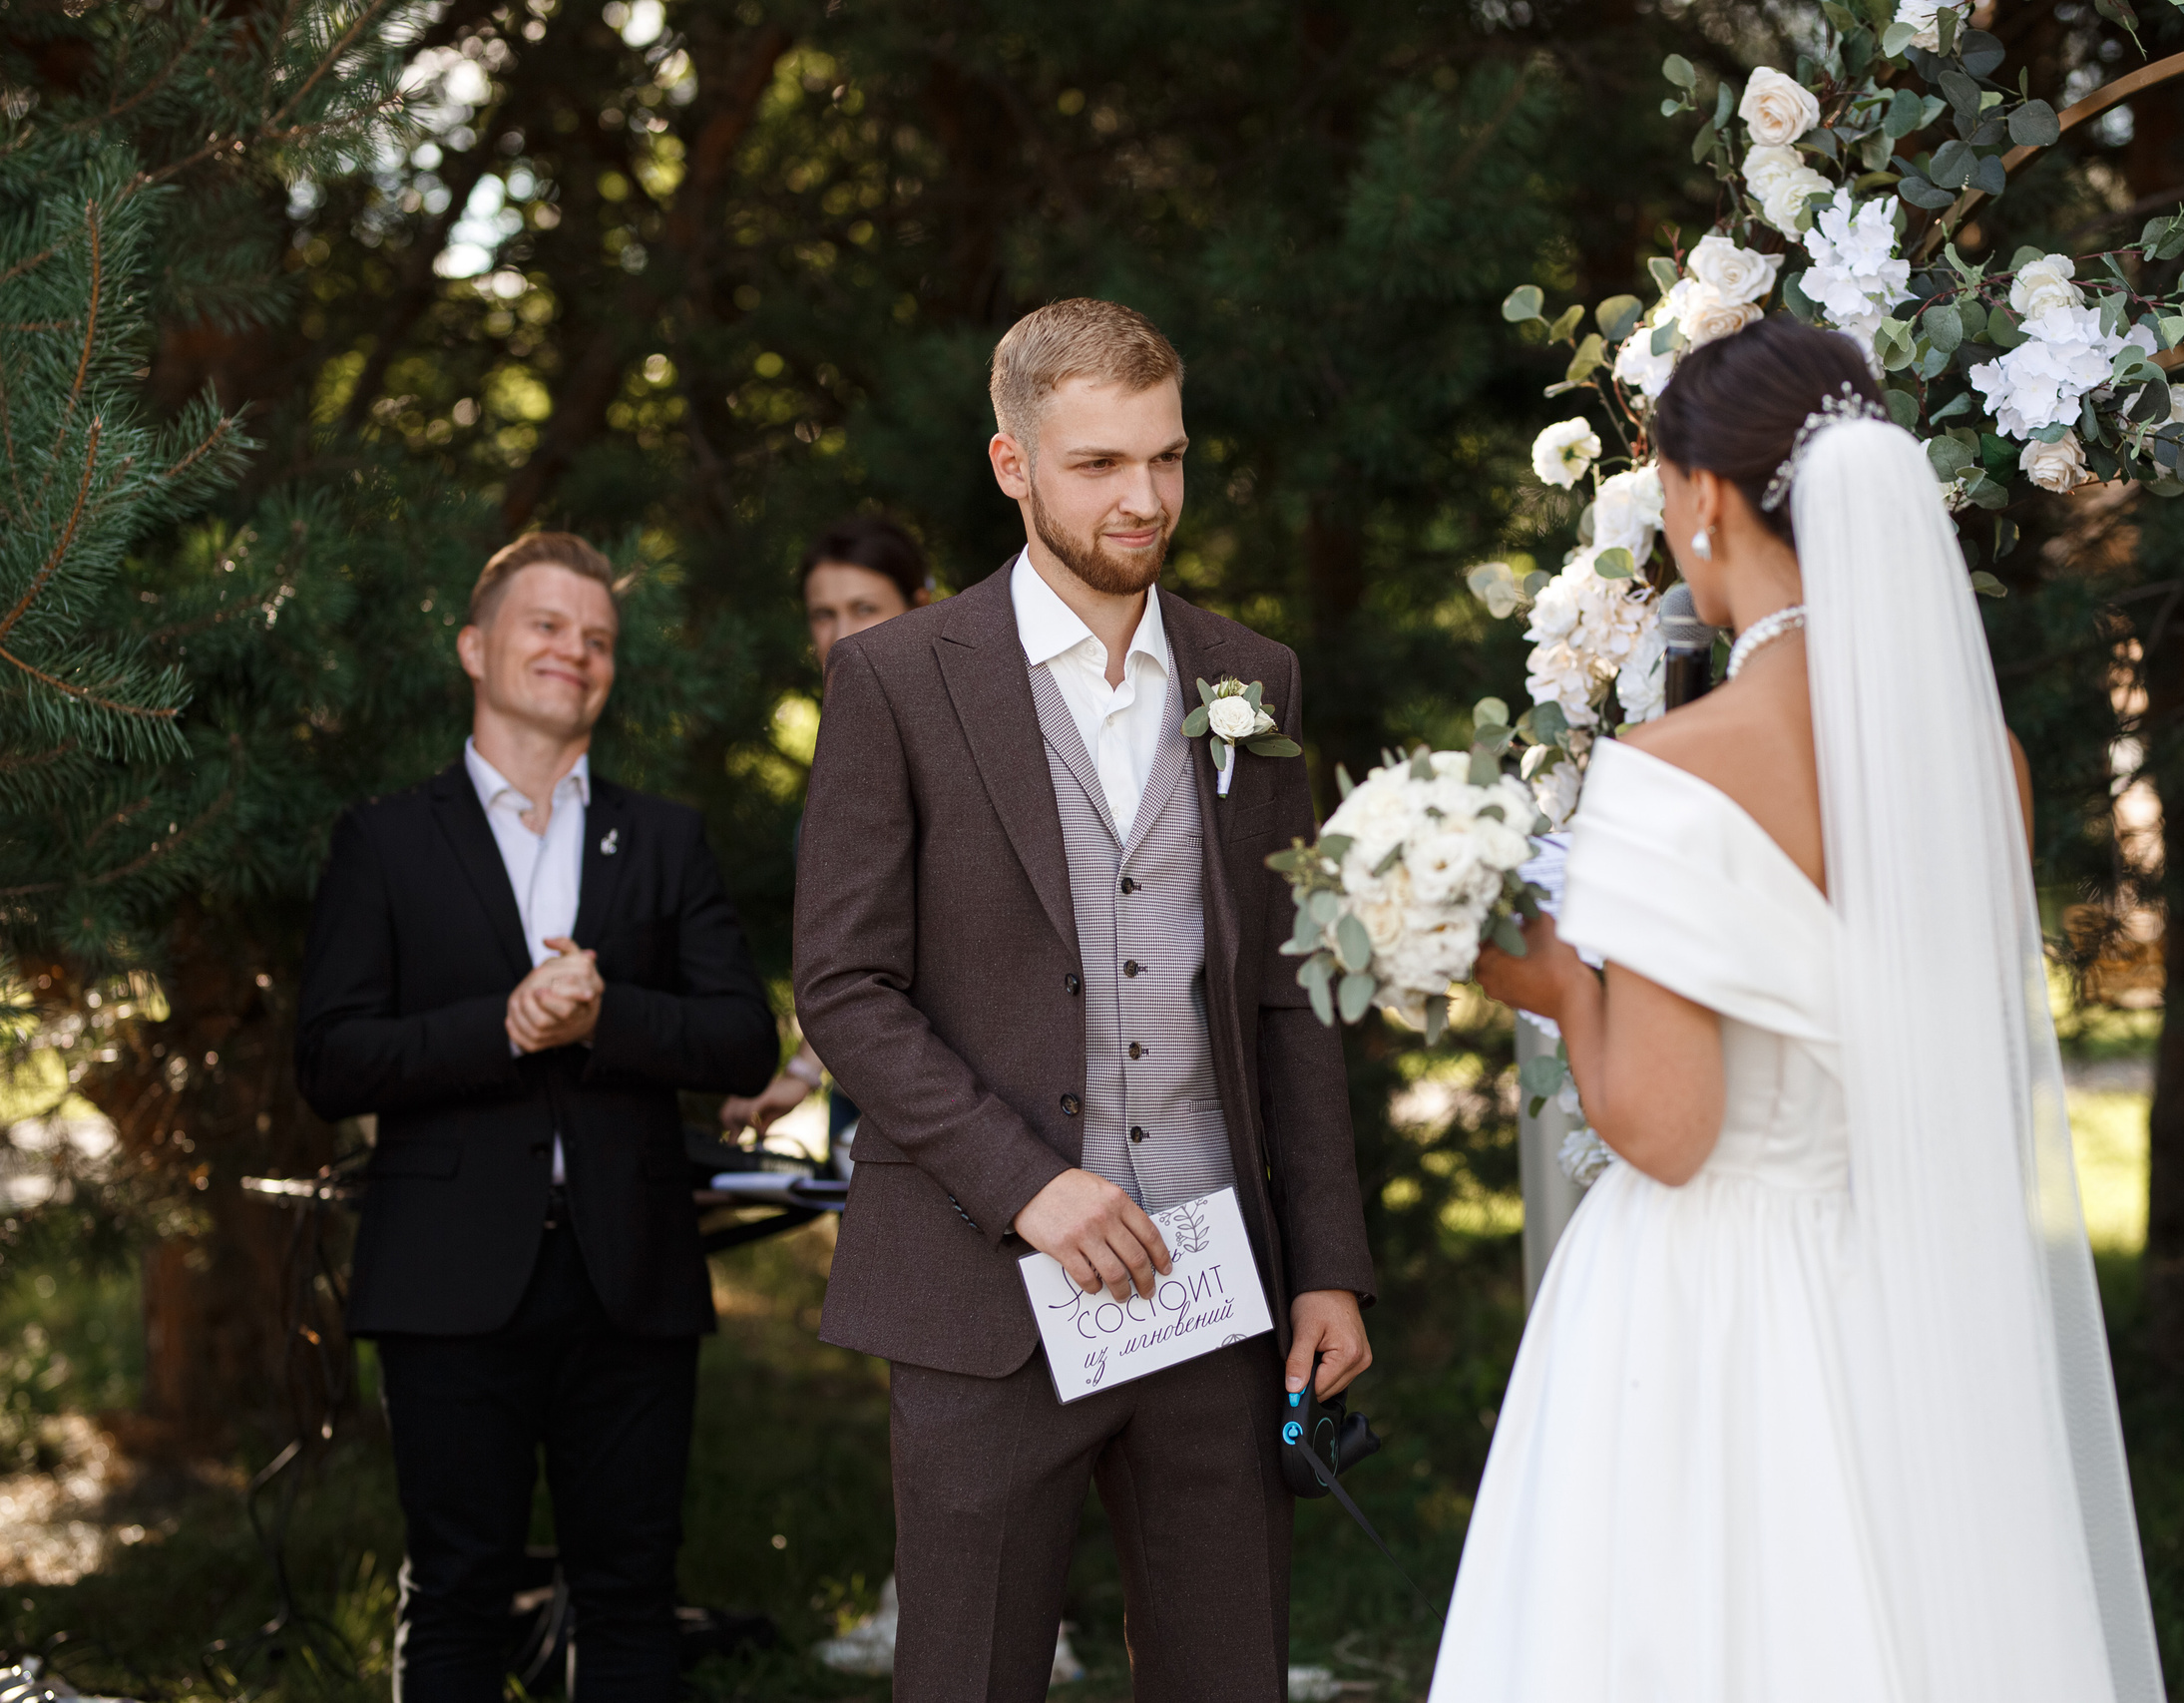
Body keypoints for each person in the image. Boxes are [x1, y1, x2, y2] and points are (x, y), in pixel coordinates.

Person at [1435, 320, 2167, 1702]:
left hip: (1710, 1307)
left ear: (1706, 493)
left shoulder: (1674, 768)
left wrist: (1549, 986)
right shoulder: (1984, 759)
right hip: (1907, 1284)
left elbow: (1667, 1125)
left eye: (1664, 484)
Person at [793, 297, 1375, 1703]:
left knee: (1227, 1675)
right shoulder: (896, 680)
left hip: (1213, 1292)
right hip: (981, 1293)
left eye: (1166, 458)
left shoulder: (1255, 677)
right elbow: (845, 987)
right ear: (1012, 466)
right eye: (1101, 464)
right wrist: (1029, 1184)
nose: (1145, 498)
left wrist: (1328, 1258)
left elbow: (1291, 994)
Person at [296, 532, 778, 1702]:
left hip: (634, 1271)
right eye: (548, 626)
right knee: (456, 1587)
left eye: (599, 638)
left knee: (629, 1590)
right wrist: (504, 1028)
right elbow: (331, 1059)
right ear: (476, 646)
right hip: (447, 1278)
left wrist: (607, 1018)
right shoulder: (385, 839)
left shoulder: (664, 838)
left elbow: (741, 1040)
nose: (576, 651)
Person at [720, 515, 935, 1146]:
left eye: (864, 607)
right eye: (823, 614)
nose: (841, 635)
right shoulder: (843, 754)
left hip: (961, 1102)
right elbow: (850, 954)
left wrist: (801, 1071)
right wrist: (802, 1071)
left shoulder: (956, 745)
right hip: (863, 1099)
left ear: (920, 608)